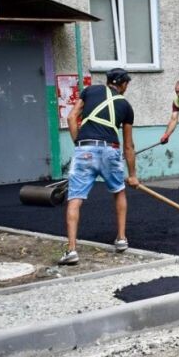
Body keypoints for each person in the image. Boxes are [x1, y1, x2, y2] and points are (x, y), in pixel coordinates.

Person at [59, 68, 138, 265]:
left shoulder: (90, 90)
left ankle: (71, 250)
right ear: (122, 84)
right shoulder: (126, 107)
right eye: (127, 83)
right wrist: (133, 175)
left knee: (75, 199)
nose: (127, 87)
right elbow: (128, 145)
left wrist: (80, 144)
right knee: (119, 191)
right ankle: (121, 239)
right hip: (110, 150)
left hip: (84, 149)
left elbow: (71, 118)